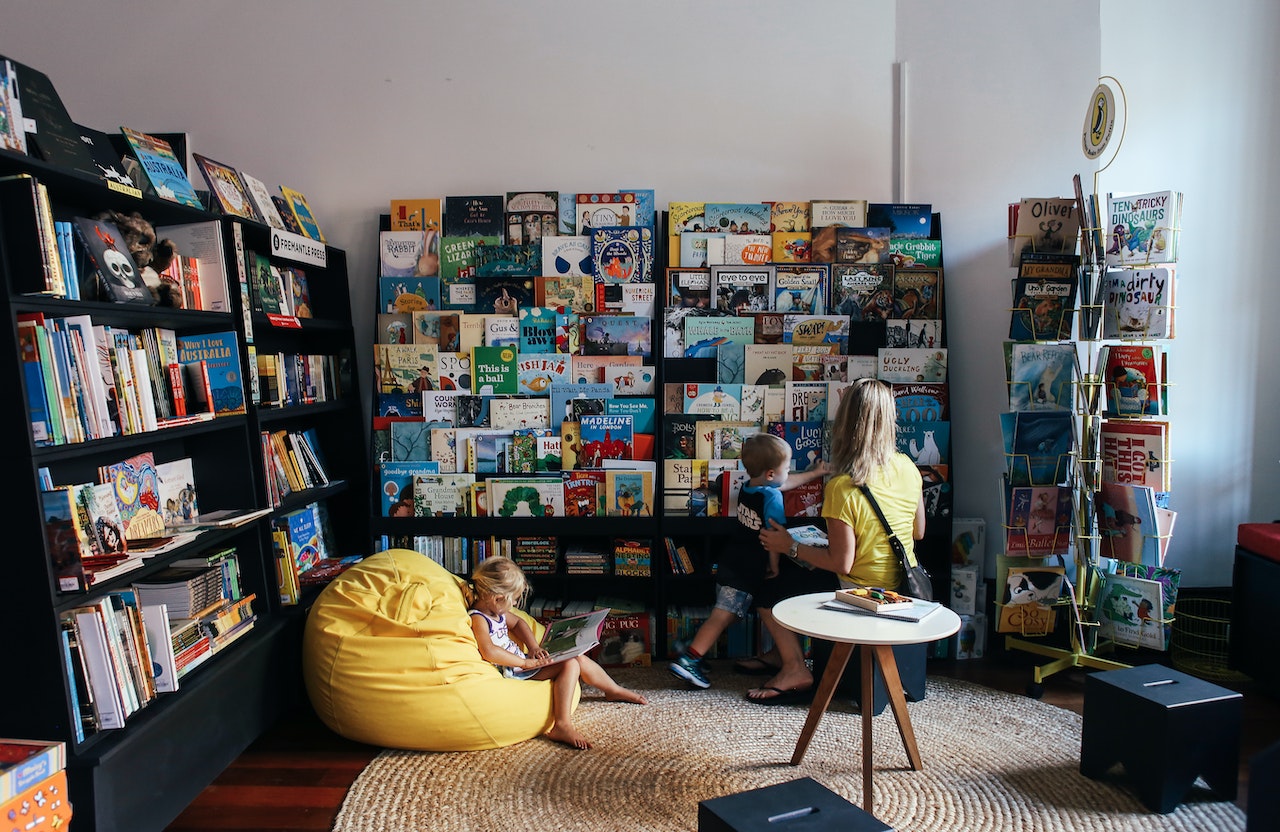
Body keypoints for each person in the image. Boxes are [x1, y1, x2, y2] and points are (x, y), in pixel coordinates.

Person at [748, 377, 926, 704]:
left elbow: (842, 563)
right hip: (901, 585)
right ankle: (781, 653)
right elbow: (918, 532)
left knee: (769, 589)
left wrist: (789, 545)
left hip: (861, 591)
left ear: (845, 424)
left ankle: (793, 668)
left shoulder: (843, 486)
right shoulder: (909, 467)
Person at [668, 434, 828, 690]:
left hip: (732, 561)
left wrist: (813, 473)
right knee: (722, 616)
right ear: (772, 474)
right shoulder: (773, 499)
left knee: (726, 616)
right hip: (748, 569)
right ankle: (690, 659)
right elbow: (774, 537)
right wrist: (774, 565)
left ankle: (691, 646)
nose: (789, 473)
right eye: (787, 468)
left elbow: (782, 483)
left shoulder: (749, 486)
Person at [467, 557, 647, 749]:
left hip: (523, 664)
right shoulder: (480, 618)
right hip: (516, 672)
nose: (516, 604)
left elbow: (519, 623)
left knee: (576, 656)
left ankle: (612, 690)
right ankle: (562, 725)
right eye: (515, 599)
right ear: (497, 598)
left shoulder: (496, 612)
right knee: (570, 664)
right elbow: (489, 651)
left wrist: (534, 647)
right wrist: (524, 663)